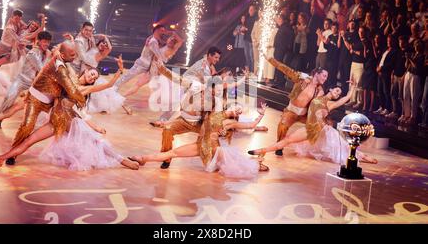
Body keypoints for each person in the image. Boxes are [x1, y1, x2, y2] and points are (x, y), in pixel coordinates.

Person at [0, 55, 140, 170]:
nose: (93, 77)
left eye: (95, 77)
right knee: (28, 141)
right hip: (54, 123)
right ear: (86, 71)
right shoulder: (67, 79)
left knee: (96, 141)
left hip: (71, 122)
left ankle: (123, 160)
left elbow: (108, 85)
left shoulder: (85, 89)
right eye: (92, 73)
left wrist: (119, 70)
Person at [248, 81, 377, 165]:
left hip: (323, 130)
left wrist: (353, 88)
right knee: (288, 139)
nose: (337, 94)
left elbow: (345, 99)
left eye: (339, 93)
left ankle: (364, 157)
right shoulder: (318, 95)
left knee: (342, 148)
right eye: (337, 91)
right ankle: (262, 150)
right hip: (310, 129)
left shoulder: (330, 104)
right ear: (331, 89)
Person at [129, 103, 269, 179]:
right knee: (173, 153)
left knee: (235, 164)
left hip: (212, 148)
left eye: (238, 111)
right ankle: (143, 159)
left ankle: (256, 164)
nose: (237, 111)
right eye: (235, 108)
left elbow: (251, 125)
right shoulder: (213, 113)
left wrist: (260, 115)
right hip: (200, 145)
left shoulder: (229, 122)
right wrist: (165, 123)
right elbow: (192, 115)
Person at [0, 31, 53, 128]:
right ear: (38, 41)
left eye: (48, 42)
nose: (46, 44)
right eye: (44, 42)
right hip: (21, 80)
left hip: (33, 83)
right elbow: (42, 69)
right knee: (9, 97)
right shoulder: (33, 53)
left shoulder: (42, 52)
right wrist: (48, 56)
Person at [265, 57, 327, 156]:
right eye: (324, 76)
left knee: (324, 126)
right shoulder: (301, 79)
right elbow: (285, 69)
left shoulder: (320, 91)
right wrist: (270, 59)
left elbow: (320, 106)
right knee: (283, 126)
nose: (325, 79)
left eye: (326, 77)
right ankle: (279, 146)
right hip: (291, 112)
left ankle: (322, 149)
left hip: (304, 116)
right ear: (316, 74)